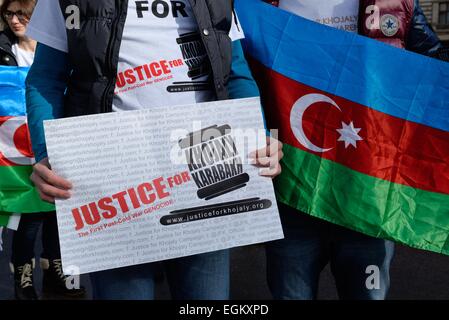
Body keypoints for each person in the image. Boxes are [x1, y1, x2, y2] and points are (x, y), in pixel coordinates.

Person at [25, 0, 283, 300]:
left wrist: (258, 137)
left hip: (208, 171)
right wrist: (46, 153)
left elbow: (235, 74)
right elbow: (45, 79)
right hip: (113, 180)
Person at [263, 0, 441, 300]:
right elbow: (235, 71)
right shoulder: (260, 4)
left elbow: (435, 66)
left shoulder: (395, 3)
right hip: (293, 193)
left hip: (366, 196)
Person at [0, 0, 86, 300]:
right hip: (13, 150)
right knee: (28, 214)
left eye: (21, 14)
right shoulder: (3, 51)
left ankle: (55, 270)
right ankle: (23, 278)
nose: (14, 20)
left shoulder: (61, 50)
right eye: (8, 14)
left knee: (55, 211)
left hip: (52, 141)